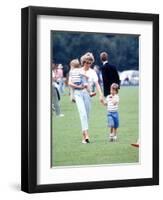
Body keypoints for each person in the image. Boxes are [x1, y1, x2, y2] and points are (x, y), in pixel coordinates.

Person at [68, 52, 104, 144]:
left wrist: (101, 95)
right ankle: (86, 135)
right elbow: (70, 83)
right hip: (78, 94)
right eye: (86, 62)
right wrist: (72, 95)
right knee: (83, 114)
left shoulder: (93, 72)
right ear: (83, 62)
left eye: (90, 63)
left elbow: (97, 84)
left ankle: (84, 136)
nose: (88, 64)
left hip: (88, 95)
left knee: (86, 116)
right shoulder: (77, 70)